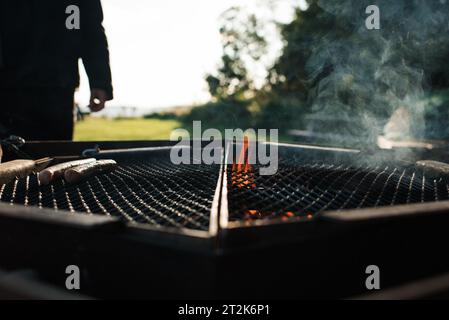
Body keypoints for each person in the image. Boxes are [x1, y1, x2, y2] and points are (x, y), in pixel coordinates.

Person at [0, 0, 113, 141]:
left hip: (58, 85)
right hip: (11, 86)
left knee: (55, 152)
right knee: (9, 154)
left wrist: (100, 81)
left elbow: (91, 31)